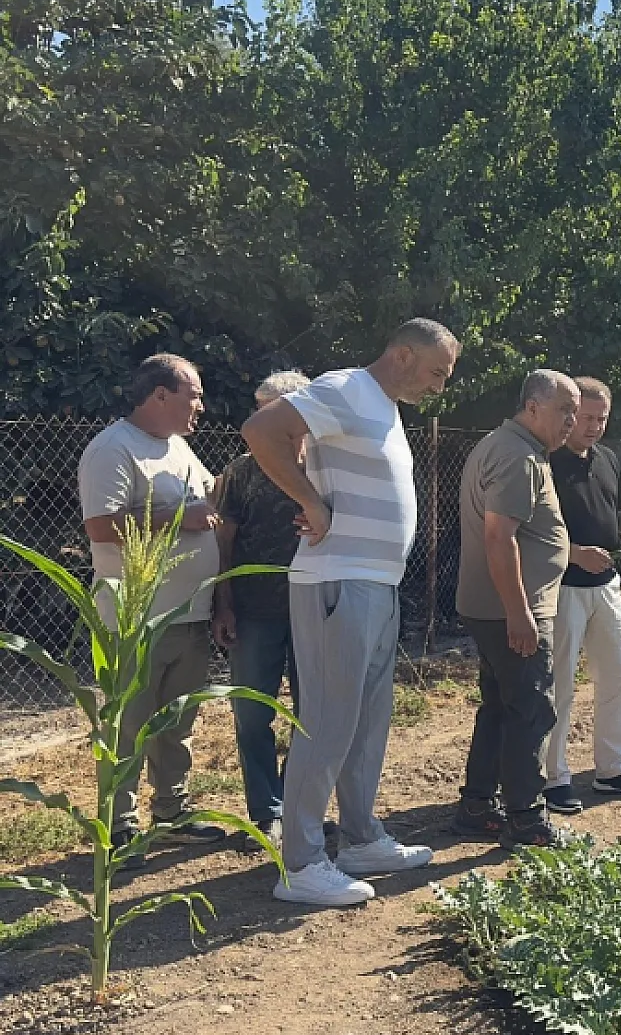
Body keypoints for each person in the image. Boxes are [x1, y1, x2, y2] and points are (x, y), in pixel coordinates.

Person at [242, 317, 459, 907]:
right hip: (338, 580)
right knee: (329, 720)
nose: (439, 386)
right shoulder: (346, 389)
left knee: (367, 719)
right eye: (436, 372)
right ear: (403, 354)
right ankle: (303, 862)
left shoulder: (384, 408)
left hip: (376, 584)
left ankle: (361, 838)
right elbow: (263, 429)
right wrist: (309, 500)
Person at [78, 353, 227, 864]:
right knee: (128, 726)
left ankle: (172, 814)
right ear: (160, 395)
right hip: (135, 619)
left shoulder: (179, 448)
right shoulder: (113, 449)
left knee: (176, 725)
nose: (201, 407)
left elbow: (210, 499)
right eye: (194, 395)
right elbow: (101, 527)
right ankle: (117, 829)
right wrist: (180, 517)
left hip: (189, 615)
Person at [452, 371, 580, 848]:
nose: (571, 420)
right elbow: (498, 537)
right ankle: (526, 817)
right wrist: (520, 614)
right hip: (512, 609)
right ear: (532, 407)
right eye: (563, 410)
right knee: (529, 710)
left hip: (495, 606)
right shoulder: (518, 456)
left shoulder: (505, 446)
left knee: (501, 709)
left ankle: (477, 806)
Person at [544, 377, 621, 810]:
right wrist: (575, 553)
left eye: (602, 418)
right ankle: (553, 778)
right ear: (570, 413)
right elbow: (530, 529)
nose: (594, 426)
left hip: (606, 585)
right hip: (561, 589)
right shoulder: (546, 460)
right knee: (560, 684)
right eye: (586, 417)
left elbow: (620, 510)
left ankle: (611, 770)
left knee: (619, 676)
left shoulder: (607, 458)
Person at [212, 370, 313, 850]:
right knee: (252, 714)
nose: (257, 418)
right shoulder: (242, 472)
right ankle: (266, 813)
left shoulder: (326, 468)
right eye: (257, 407)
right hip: (254, 611)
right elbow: (224, 541)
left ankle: (297, 808)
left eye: (267, 409)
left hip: (316, 609)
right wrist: (223, 604)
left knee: (312, 714)